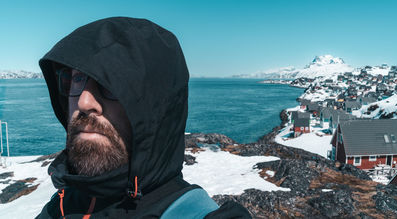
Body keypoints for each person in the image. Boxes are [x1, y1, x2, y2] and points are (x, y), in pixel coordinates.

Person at [36, 17, 251, 218]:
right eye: (77, 79)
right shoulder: (60, 205)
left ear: (156, 106)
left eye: (111, 82)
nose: (84, 102)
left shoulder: (190, 211)